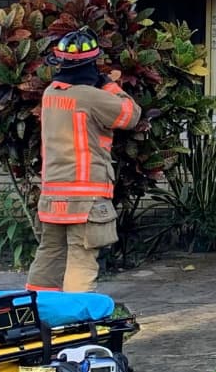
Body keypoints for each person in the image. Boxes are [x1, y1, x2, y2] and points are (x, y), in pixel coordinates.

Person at [26, 29, 142, 293]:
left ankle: (37, 314)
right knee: (81, 258)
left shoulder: (50, 94)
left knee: (49, 256)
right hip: (86, 197)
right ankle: (73, 321)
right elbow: (131, 115)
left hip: (52, 196)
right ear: (91, 63)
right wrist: (108, 84)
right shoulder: (90, 96)